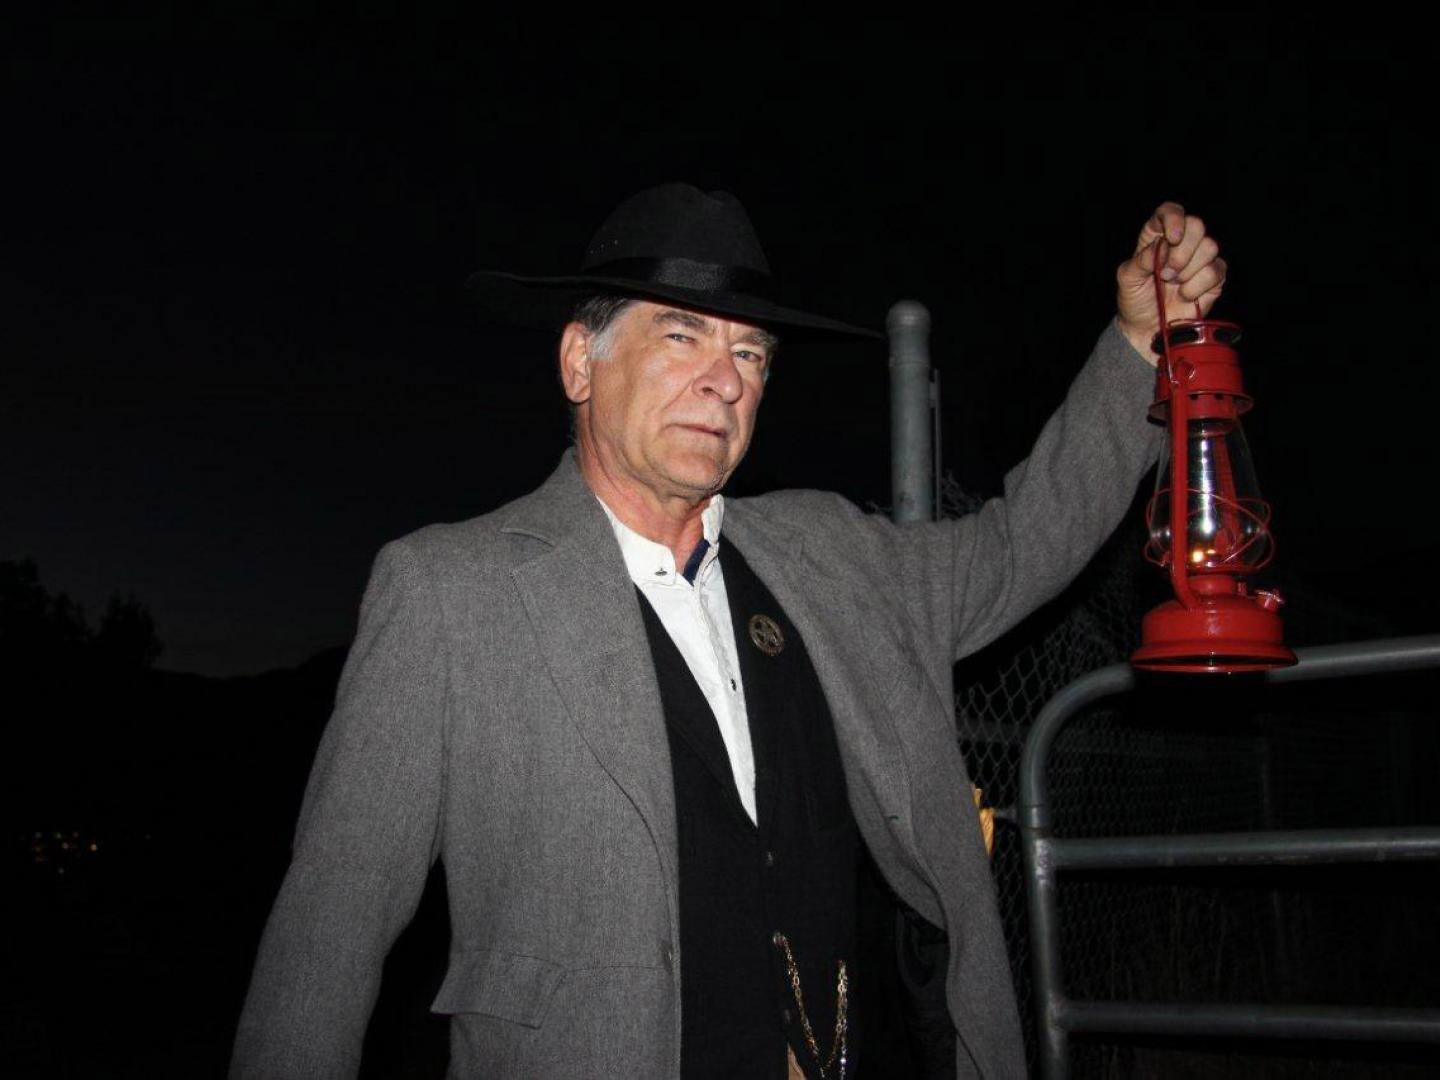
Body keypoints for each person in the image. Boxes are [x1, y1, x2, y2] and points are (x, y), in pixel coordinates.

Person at [231, 183, 1225, 1079]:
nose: (726, 379)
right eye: (680, 337)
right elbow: (331, 927)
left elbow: (1023, 544)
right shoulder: (451, 592)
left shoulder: (833, 554)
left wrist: (1138, 344)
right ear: (582, 360)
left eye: (749, 352)